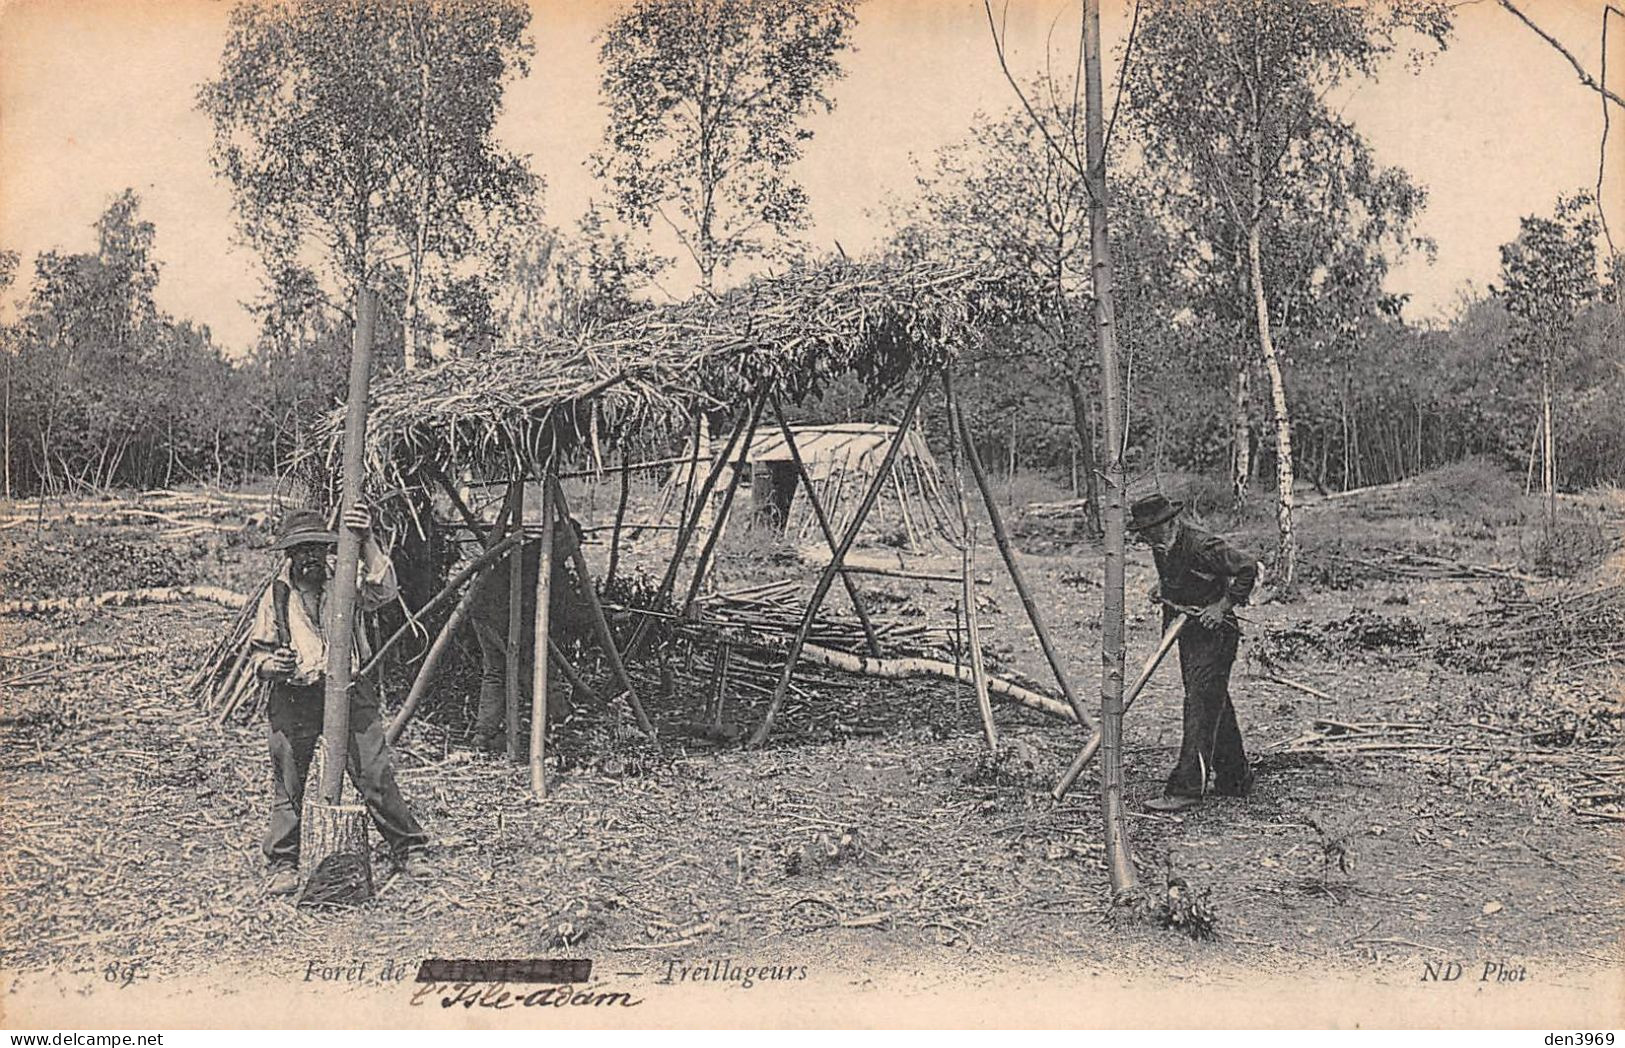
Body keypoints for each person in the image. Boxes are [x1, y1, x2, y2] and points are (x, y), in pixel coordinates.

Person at [248, 505, 430, 895]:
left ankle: (408, 848)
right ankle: (283, 862)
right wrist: (273, 666)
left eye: (316, 547)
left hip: (348, 688)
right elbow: (258, 657)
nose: (310, 557)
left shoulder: (344, 577)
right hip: (295, 695)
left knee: (374, 771)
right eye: (301, 550)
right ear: (289, 555)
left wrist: (365, 540)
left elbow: (384, 590)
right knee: (288, 780)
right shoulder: (277, 594)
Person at [1125, 493, 1259, 812]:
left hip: (1217, 634)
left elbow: (1248, 568)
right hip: (1188, 633)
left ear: (1168, 524)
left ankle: (1185, 788)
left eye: (1149, 530)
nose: (1144, 537)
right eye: (1141, 531)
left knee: (1199, 703)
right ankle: (1235, 777)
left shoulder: (1202, 545)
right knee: (1213, 701)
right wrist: (1164, 589)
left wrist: (1222, 605)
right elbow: (1175, 578)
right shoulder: (1161, 547)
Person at [469, 511, 590, 755]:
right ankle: (559, 726)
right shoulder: (545, 563)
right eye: (570, 547)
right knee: (538, 673)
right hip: (503, 620)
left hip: (482, 612)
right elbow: (567, 612)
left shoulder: (528, 553)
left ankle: (484, 733)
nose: (570, 554)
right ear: (558, 538)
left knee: (496, 672)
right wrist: (596, 619)